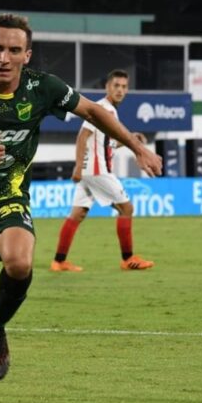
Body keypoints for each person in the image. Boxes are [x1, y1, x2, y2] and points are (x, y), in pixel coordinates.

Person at [0, 14, 163, 397]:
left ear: (26, 55)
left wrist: (138, 148)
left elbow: (93, 111)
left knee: (20, 263)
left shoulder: (44, 87)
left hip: (8, 196)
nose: (4, 57)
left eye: (13, 50)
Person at [51, 69, 154, 272]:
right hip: (97, 171)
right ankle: (128, 258)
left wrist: (131, 141)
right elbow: (82, 137)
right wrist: (78, 167)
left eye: (124, 87)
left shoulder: (108, 110)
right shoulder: (102, 109)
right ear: (107, 87)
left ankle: (59, 261)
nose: (120, 90)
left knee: (77, 213)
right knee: (127, 209)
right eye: (116, 86)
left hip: (91, 171)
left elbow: (105, 145)